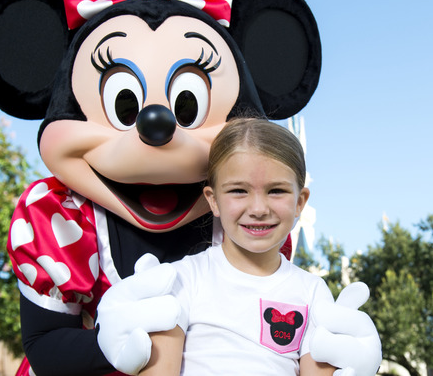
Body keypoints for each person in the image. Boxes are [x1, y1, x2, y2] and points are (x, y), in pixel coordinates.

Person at [140, 118, 337, 376]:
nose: (258, 209)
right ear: (214, 200)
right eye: (239, 191)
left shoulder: (313, 293)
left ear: (300, 202)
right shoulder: (181, 280)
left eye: (276, 191)